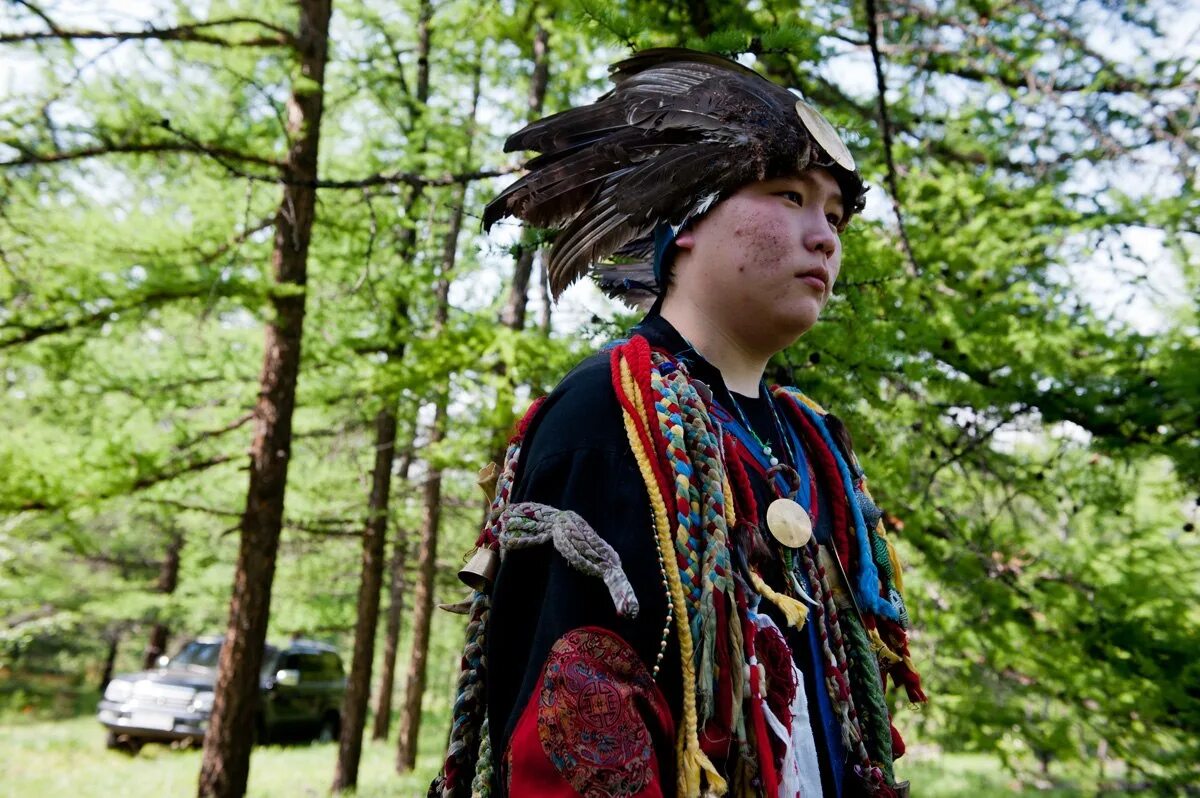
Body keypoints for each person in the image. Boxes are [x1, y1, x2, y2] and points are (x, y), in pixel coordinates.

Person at [432, 48, 924, 798]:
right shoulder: (608, 412)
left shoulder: (810, 440)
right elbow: (565, 742)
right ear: (684, 222)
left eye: (834, 213)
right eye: (789, 195)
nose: (824, 235)